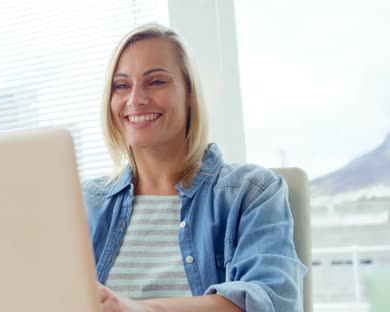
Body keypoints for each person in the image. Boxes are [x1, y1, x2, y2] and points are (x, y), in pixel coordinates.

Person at [82, 23, 307, 312]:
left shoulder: (253, 191)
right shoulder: (85, 202)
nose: (135, 99)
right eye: (122, 85)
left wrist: (135, 308)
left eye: (157, 81)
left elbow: (270, 300)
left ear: (190, 94)